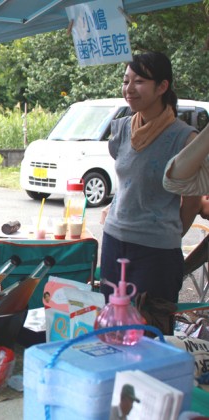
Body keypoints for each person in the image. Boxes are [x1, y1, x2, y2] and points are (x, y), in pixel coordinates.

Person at [100, 52, 201, 311]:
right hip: (114, 240)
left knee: (149, 329)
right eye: (126, 81)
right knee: (110, 321)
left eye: (139, 81)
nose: (129, 89)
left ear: (162, 87)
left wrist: (168, 234)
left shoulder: (185, 139)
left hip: (156, 251)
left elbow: (191, 202)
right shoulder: (121, 129)